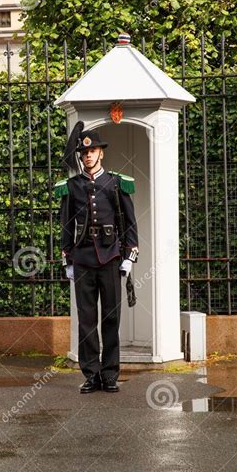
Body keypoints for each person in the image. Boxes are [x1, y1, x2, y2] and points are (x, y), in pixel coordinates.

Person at [53, 121, 139, 393]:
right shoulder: (72, 186)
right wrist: (67, 259)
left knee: (111, 320)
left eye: (93, 151)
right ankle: (91, 374)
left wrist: (129, 256)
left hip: (111, 258)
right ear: (80, 156)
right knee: (87, 321)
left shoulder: (116, 183)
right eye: (83, 153)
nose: (88, 156)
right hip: (83, 261)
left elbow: (130, 223)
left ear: (101, 153)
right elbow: (66, 224)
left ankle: (110, 374)